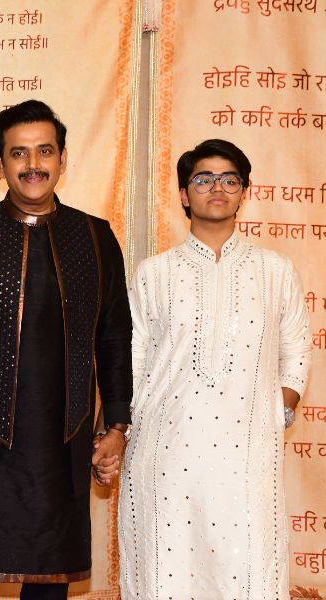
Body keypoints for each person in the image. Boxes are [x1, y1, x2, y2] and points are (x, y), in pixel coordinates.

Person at [0, 99, 132, 599]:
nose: (33, 164)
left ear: (62, 158)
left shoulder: (95, 238)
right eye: (19, 153)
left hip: (62, 449)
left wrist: (116, 426)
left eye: (44, 151)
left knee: (48, 586)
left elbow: (114, 339)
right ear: (0, 164)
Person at [118, 139, 311, 599]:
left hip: (248, 451)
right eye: (203, 179)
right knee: (168, 565)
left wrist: (278, 409)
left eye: (229, 179)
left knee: (245, 565)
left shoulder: (276, 270)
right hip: (166, 450)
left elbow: (296, 348)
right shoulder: (154, 273)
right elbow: (133, 355)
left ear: (245, 191)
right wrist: (127, 422)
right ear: (184, 194)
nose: (217, 188)